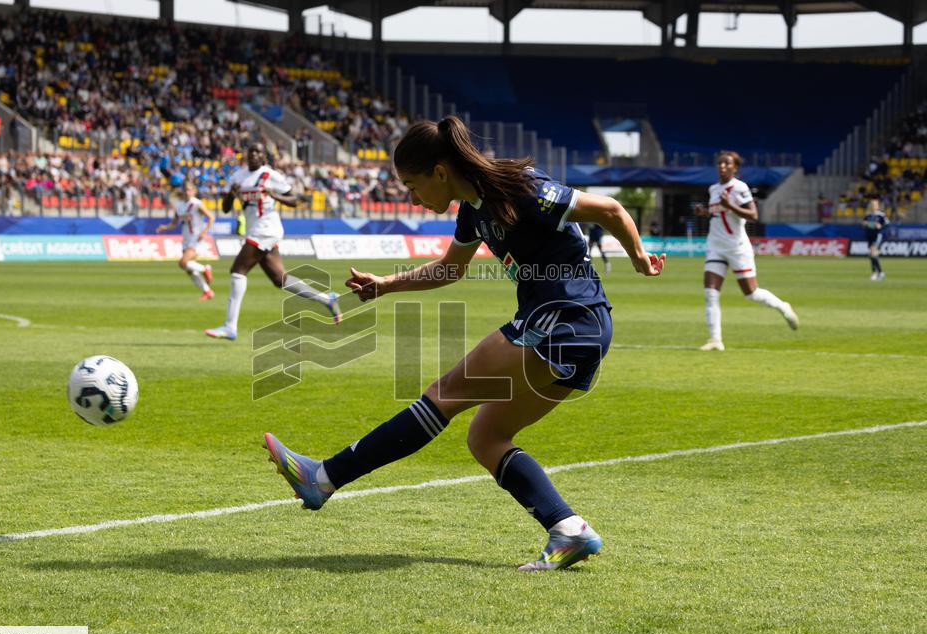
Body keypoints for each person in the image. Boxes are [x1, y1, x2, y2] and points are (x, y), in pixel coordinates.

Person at [261, 116, 665, 571]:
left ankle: (323, 477)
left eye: (412, 185)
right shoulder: (473, 211)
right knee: (486, 437)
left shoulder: (523, 189)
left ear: (439, 172)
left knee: (444, 394)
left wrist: (638, 258)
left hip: (567, 320)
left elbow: (610, 209)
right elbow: (450, 269)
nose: (412, 198)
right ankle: (568, 529)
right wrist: (387, 285)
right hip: (575, 329)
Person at [205, 143, 341, 341]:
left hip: (267, 229)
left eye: (258, 152)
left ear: (263, 156)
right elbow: (225, 208)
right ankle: (328, 299)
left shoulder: (271, 175)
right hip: (255, 230)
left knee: (238, 271)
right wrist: (231, 194)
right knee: (280, 280)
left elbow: (295, 200)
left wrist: (273, 195)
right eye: (251, 151)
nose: (254, 154)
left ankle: (230, 326)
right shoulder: (238, 176)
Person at [695, 151, 798, 352]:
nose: (722, 166)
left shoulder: (740, 188)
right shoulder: (713, 189)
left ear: (735, 168)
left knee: (751, 293)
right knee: (710, 293)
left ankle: (783, 306)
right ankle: (715, 340)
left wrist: (730, 205)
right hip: (715, 246)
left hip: (737, 248)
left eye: (727, 163)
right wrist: (705, 212)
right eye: (720, 163)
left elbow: (753, 215)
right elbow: (718, 215)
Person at [156, 182, 216, 300]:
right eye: (185, 190)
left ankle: (205, 269)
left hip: (196, 238)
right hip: (186, 239)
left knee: (183, 263)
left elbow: (211, 217)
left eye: (189, 190)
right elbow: (174, 223)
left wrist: (204, 232)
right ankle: (208, 291)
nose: (187, 192)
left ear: (193, 191)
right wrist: (165, 227)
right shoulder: (179, 205)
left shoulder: (197, 204)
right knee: (189, 270)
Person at [861, 198, 888, 281]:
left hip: (877, 236)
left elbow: (884, 225)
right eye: (872, 204)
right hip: (870, 235)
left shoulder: (881, 215)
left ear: (878, 206)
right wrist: (869, 224)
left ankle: (874, 273)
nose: (873, 206)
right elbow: (863, 224)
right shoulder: (868, 215)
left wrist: (878, 225)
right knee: (872, 255)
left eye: (875, 204)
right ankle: (880, 272)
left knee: (873, 253)